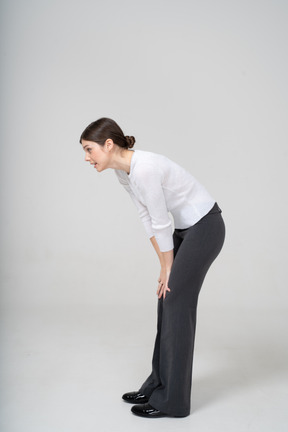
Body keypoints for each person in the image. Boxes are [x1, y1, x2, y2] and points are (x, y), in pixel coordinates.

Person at [80, 117, 225, 418]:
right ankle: (158, 384)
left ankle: (173, 402)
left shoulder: (144, 169)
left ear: (109, 144)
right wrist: (163, 265)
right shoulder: (125, 172)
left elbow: (161, 221)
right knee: (165, 298)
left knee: (175, 301)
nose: (87, 157)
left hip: (205, 227)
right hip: (186, 230)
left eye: (89, 149)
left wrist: (168, 268)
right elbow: (147, 219)